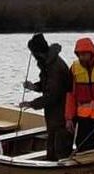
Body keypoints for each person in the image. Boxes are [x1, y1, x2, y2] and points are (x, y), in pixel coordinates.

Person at [19, 33, 74, 161]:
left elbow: (52, 95)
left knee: (60, 151)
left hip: (62, 115)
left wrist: (31, 104)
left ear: (38, 53)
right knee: (52, 148)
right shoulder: (48, 64)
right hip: (54, 116)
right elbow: (47, 86)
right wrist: (34, 87)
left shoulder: (54, 67)